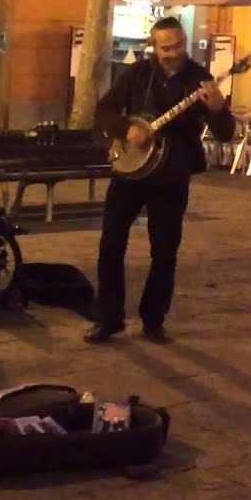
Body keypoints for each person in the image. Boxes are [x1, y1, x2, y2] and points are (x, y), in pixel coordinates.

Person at [86, 17, 235, 345]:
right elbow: (104, 111)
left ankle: (153, 321)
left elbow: (225, 133)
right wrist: (127, 130)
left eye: (179, 45)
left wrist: (220, 108)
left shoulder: (200, 79)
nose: (174, 53)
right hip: (130, 172)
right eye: (166, 48)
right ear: (154, 46)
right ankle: (109, 318)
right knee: (110, 245)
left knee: (164, 251)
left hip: (171, 175)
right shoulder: (138, 74)